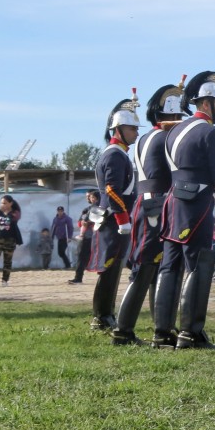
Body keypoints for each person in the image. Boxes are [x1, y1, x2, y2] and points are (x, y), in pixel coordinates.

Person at [152, 62, 215, 350]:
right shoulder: (210, 133)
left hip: (173, 203)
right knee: (198, 266)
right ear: (208, 102)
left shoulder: (175, 130)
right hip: (197, 204)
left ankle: (162, 332)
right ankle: (191, 333)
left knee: (169, 267)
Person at [113, 78, 185, 346]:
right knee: (146, 269)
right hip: (158, 204)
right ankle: (124, 330)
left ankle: (161, 325)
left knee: (153, 268)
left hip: (147, 203)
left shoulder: (147, 137)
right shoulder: (166, 137)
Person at [89, 91, 140, 331]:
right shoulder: (115, 156)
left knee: (114, 269)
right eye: (132, 129)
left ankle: (105, 314)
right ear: (118, 130)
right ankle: (101, 316)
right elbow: (112, 190)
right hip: (113, 220)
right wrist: (123, 220)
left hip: (116, 220)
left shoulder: (118, 154)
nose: (136, 133)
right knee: (108, 269)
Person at [69, 191, 99, 284]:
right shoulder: (86, 209)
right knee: (81, 257)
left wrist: (89, 223)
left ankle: (79, 277)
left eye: (92, 197)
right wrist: (83, 223)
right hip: (87, 236)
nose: (90, 198)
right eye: (90, 197)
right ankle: (78, 277)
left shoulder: (101, 209)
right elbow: (79, 222)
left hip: (95, 236)